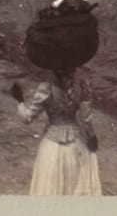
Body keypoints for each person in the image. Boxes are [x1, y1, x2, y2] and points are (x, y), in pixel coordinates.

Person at [13, 66, 101, 195]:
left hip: (52, 142)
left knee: (50, 186)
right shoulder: (82, 85)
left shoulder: (46, 88)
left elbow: (27, 118)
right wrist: (92, 136)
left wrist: (20, 100)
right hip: (76, 140)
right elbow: (85, 119)